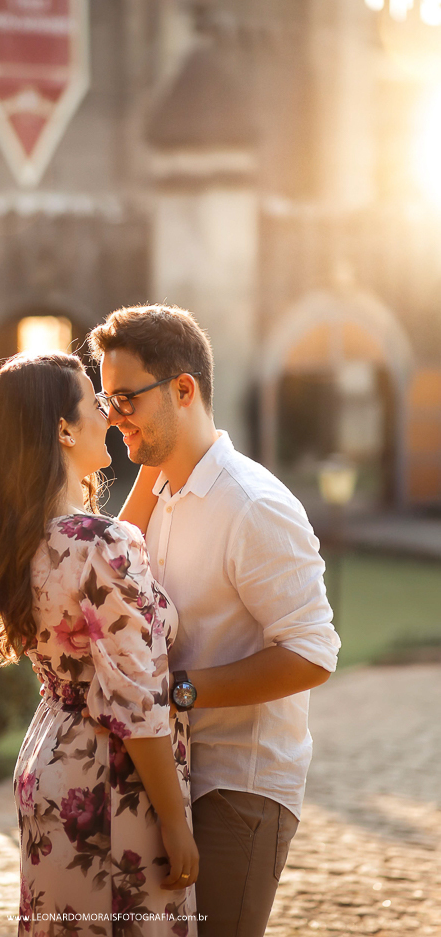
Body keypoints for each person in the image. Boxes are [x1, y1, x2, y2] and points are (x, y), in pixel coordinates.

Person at [88, 305, 341, 937]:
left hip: (239, 782)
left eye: (125, 399)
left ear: (183, 389)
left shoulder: (253, 506)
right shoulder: (163, 489)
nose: (113, 418)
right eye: (105, 399)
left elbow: (315, 652)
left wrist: (181, 691)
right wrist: (148, 446)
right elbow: (117, 567)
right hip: (165, 771)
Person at [0, 351, 199, 937]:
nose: (108, 413)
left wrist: (151, 462)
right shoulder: (101, 542)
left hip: (50, 763)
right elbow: (136, 697)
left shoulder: (26, 535)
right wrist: (174, 820)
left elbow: (111, 546)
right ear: (63, 430)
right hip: (111, 782)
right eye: (95, 402)